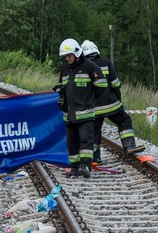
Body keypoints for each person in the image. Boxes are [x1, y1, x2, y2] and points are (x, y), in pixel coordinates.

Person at [81, 40, 145, 162]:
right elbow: (115, 84)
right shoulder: (106, 62)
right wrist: (118, 101)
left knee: (94, 132)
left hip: (93, 108)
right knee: (124, 120)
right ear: (96, 50)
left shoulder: (83, 67)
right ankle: (129, 145)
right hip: (111, 104)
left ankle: (95, 157)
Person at [53, 38, 108, 178]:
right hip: (69, 114)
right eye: (66, 56)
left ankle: (85, 166)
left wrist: (88, 99)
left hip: (85, 114)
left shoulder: (90, 66)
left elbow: (102, 86)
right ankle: (75, 167)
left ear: (77, 53)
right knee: (72, 142)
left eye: (69, 55)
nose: (67, 58)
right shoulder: (65, 69)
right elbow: (62, 87)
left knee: (86, 140)